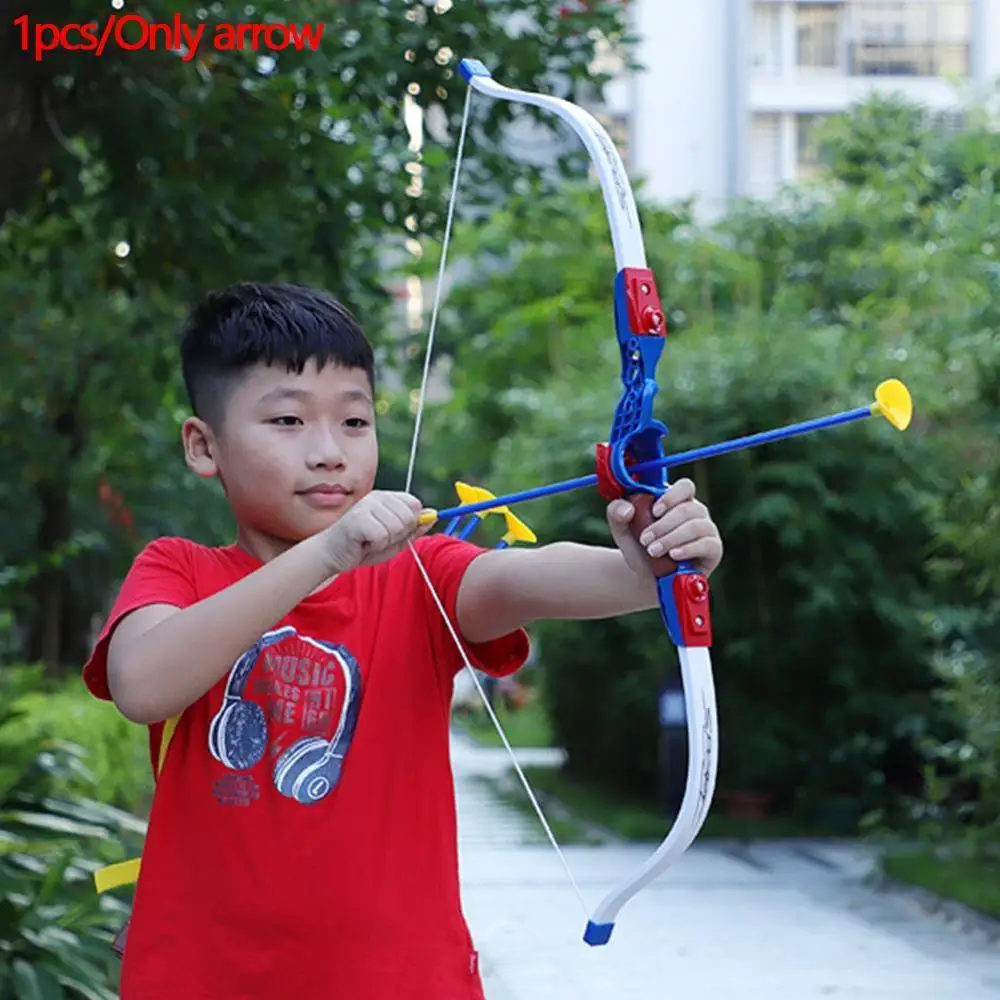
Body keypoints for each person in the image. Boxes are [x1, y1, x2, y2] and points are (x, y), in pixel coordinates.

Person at [82, 281, 724, 1000]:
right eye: (288, 420)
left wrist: (649, 567)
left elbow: (520, 580)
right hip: (200, 979)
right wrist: (327, 555)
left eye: (355, 421)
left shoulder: (421, 575)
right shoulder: (177, 570)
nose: (330, 452)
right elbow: (143, 684)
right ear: (205, 446)